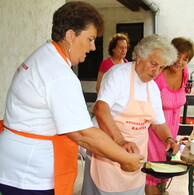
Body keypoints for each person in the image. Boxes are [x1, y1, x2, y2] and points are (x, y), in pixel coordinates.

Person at [0, 2, 144, 195]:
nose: (93, 47)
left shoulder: (43, 55)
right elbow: (83, 134)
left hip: (15, 163)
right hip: (29, 174)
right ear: (70, 35)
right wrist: (125, 159)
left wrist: (118, 144)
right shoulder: (59, 74)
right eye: (90, 39)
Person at [81, 34, 179, 195]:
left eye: (161, 67)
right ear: (139, 57)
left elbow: (158, 123)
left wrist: (169, 139)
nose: (156, 71)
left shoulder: (152, 88)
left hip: (136, 158)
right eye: (153, 64)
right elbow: (100, 108)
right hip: (108, 152)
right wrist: (120, 141)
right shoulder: (118, 74)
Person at [145, 37, 194, 195]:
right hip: (154, 130)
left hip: (172, 130)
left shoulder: (184, 73)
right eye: (177, 56)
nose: (180, 62)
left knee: (165, 169)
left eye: (185, 59)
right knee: (152, 172)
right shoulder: (158, 75)